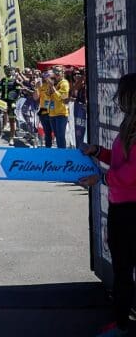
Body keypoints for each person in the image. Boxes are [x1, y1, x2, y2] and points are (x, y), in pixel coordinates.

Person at [79, 73, 136, 337]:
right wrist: (98, 152)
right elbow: (119, 160)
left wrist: (100, 177)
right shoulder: (129, 125)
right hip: (121, 208)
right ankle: (122, 320)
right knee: (122, 267)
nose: (118, 99)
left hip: (130, 211)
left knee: (124, 268)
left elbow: (129, 173)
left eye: (122, 94)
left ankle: (122, 324)